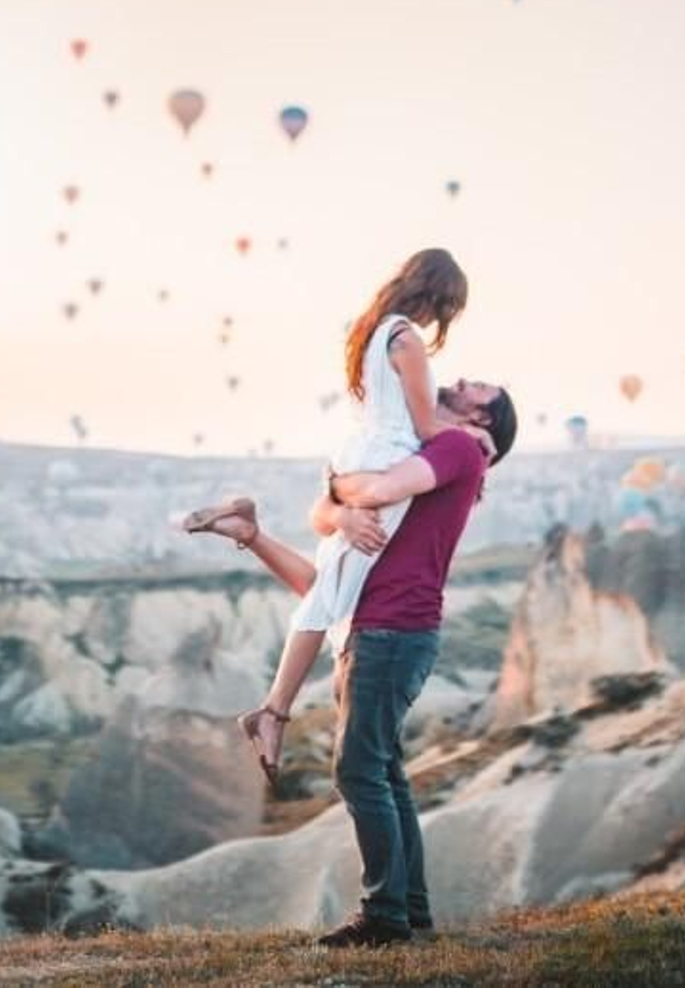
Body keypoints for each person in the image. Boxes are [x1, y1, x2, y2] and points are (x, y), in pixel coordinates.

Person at [185, 379, 517, 947]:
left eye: (473, 388)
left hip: (393, 632)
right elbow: (325, 570)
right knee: (384, 772)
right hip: (374, 630)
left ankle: (385, 916)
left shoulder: (457, 450)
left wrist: (338, 488)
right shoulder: (432, 454)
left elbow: (368, 491)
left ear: (482, 423)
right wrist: (316, 516)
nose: (455, 381)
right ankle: (409, 913)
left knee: (358, 771)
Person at [184, 249, 472, 784]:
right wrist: (463, 448)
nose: (442, 321)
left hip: (355, 454)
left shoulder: (370, 332)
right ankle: (273, 713)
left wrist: (339, 501)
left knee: (331, 587)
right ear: (439, 295)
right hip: (386, 461)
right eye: (448, 308)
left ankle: (272, 707)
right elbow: (429, 429)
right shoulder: (407, 339)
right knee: (333, 597)